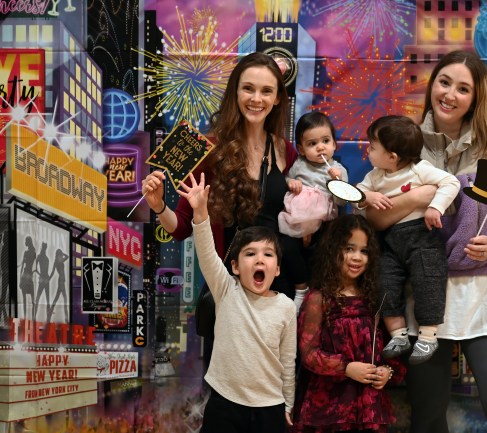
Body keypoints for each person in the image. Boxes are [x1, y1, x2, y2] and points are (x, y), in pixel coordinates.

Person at [364, 50, 487, 433]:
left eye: (463, 88)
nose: (450, 94)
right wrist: (416, 198)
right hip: (425, 292)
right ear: (432, 87)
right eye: (444, 82)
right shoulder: (405, 141)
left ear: (476, 97)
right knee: (427, 414)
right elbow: (375, 217)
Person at [141, 52, 304, 368]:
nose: (256, 99)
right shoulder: (210, 150)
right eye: (248, 88)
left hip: (276, 288)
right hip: (228, 289)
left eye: (266, 91)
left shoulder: (287, 151)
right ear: (235, 93)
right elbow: (181, 227)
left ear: (277, 99)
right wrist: (158, 204)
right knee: (224, 388)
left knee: (274, 381)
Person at [178, 173, 296, 433]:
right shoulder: (226, 290)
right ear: (234, 266)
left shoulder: (286, 307)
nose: (259, 260)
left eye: (268, 254)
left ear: (277, 269)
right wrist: (199, 211)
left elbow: (288, 360)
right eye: (250, 254)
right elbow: (207, 252)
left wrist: (288, 403)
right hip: (225, 403)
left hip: (271, 406)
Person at [355, 115, 460, 365]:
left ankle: (428, 337)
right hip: (388, 240)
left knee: (429, 280)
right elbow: (355, 196)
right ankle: (398, 334)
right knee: (384, 282)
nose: (368, 150)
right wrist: (367, 196)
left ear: (392, 156)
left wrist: (435, 207)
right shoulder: (375, 176)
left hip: (421, 236)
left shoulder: (419, 170)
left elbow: (450, 182)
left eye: (372, 147)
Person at [292, 214, 405, 433]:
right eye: (349, 248)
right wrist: (347, 368)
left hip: (368, 408)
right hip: (328, 408)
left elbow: (391, 352)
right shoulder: (319, 298)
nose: (357, 257)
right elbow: (308, 354)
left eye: (364, 251)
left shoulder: (374, 299)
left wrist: (386, 372)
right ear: (333, 250)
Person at [278, 111, 348, 308]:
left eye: (326, 141)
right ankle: (301, 287)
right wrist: (291, 182)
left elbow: (341, 202)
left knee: (322, 256)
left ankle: (320, 295)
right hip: (297, 220)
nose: (320, 147)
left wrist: (337, 182)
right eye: (312, 144)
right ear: (300, 149)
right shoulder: (299, 165)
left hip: (322, 224)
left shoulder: (338, 170)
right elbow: (285, 181)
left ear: (334, 144)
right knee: (287, 248)